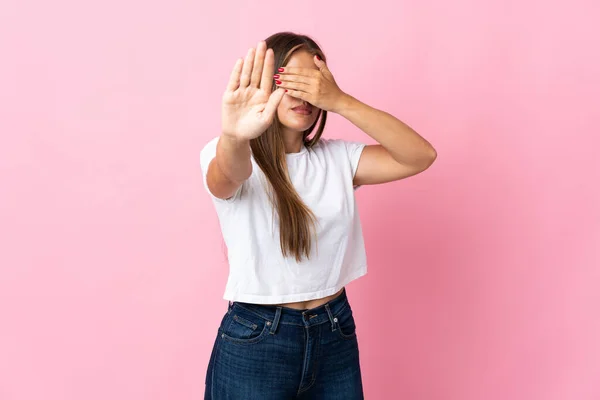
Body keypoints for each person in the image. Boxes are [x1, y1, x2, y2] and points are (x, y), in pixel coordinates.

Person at [200, 31, 437, 399]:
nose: (303, 95)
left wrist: (341, 101)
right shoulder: (231, 153)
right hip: (258, 337)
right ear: (266, 86)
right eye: (289, 82)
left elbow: (419, 156)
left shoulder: (338, 159)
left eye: (312, 83)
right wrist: (233, 136)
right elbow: (227, 176)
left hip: (334, 329)